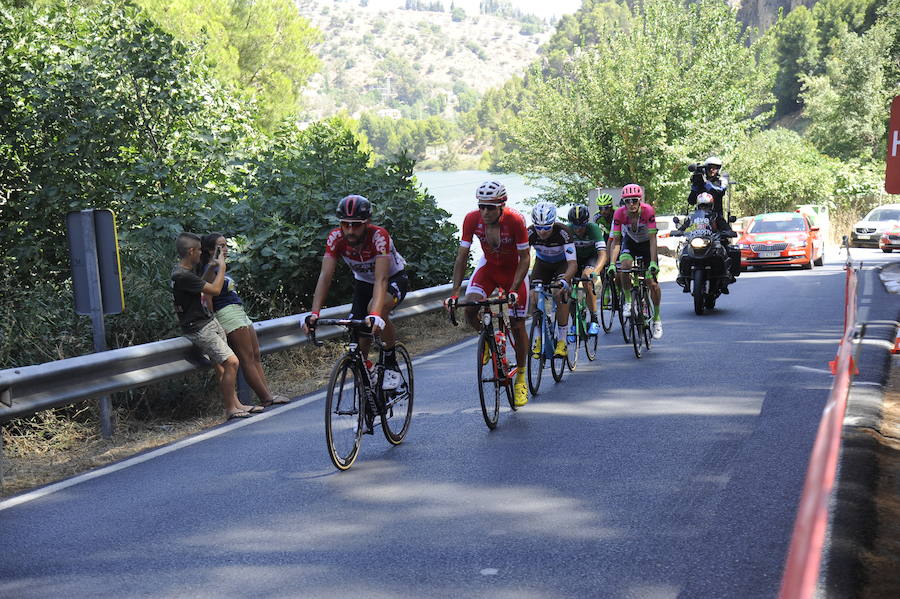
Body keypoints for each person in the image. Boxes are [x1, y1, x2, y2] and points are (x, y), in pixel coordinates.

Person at [304, 195, 409, 391]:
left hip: (393, 279)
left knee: (374, 309)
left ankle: (391, 362)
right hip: (363, 284)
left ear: (367, 223)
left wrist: (376, 315)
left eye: (356, 225)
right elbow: (325, 277)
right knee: (358, 340)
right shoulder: (336, 238)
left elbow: (381, 279)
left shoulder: (379, 236)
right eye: (345, 224)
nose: (350, 230)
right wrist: (315, 313)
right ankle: (369, 379)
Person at [446, 180, 531, 407]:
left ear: (502, 205)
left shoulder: (515, 220)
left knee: (517, 323)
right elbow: (462, 256)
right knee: (470, 307)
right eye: (481, 206)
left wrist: (513, 290)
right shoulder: (471, 219)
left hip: (515, 272)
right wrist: (455, 293)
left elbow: (525, 258)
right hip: (489, 269)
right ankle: (487, 340)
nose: (484, 212)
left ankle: (521, 375)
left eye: (490, 207)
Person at [171, 232, 262, 421]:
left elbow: (200, 286)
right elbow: (213, 289)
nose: (200, 255)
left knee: (223, 366)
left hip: (207, 321)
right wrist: (221, 268)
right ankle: (230, 408)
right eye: (199, 251)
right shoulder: (181, 275)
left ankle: (236, 404)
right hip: (199, 327)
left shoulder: (186, 273)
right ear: (191, 251)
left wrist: (211, 266)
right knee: (232, 362)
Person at [198, 233, 291, 408]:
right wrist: (215, 322)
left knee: (255, 355)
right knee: (247, 358)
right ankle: (265, 397)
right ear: (210, 250)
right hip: (227, 314)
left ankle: (267, 394)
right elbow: (207, 299)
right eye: (221, 246)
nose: (226, 249)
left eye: (226, 245)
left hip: (239, 312)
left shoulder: (221, 267)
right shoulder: (210, 270)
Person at [606, 184, 663, 340]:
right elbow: (616, 242)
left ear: (640, 200)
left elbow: (653, 240)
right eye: (627, 201)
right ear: (623, 202)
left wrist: (652, 262)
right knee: (624, 267)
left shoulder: (648, 211)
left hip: (646, 246)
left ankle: (657, 319)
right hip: (630, 243)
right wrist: (611, 263)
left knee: (652, 283)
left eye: (634, 200)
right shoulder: (619, 214)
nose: (631, 204)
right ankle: (628, 301)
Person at [527, 201, 577, 359]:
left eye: (546, 227)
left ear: (553, 222)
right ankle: (537, 338)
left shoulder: (563, 232)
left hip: (562, 264)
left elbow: (572, 263)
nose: (541, 232)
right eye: (538, 227)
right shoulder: (529, 233)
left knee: (558, 292)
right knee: (533, 296)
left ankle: (562, 340)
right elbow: (521, 258)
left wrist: (565, 281)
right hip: (542, 265)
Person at [674, 192, 736, 294]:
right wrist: (679, 231)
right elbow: (685, 226)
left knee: (723, 252)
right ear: (698, 205)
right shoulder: (692, 217)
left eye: (706, 205)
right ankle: (684, 277)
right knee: (684, 253)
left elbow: (725, 226)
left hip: (712, 241)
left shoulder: (716, 216)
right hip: (696, 240)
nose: (704, 208)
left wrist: (728, 231)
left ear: (711, 205)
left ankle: (725, 278)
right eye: (702, 205)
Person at [567, 204, 607, 333]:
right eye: (575, 225)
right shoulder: (568, 230)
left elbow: (602, 254)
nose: (578, 229)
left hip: (591, 258)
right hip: (575, 260)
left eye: (582, 226)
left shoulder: (593, 229)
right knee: (566, 285)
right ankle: (574, 321)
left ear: (586, 223)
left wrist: (595, 272)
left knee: (586, 280)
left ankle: (594, 319)